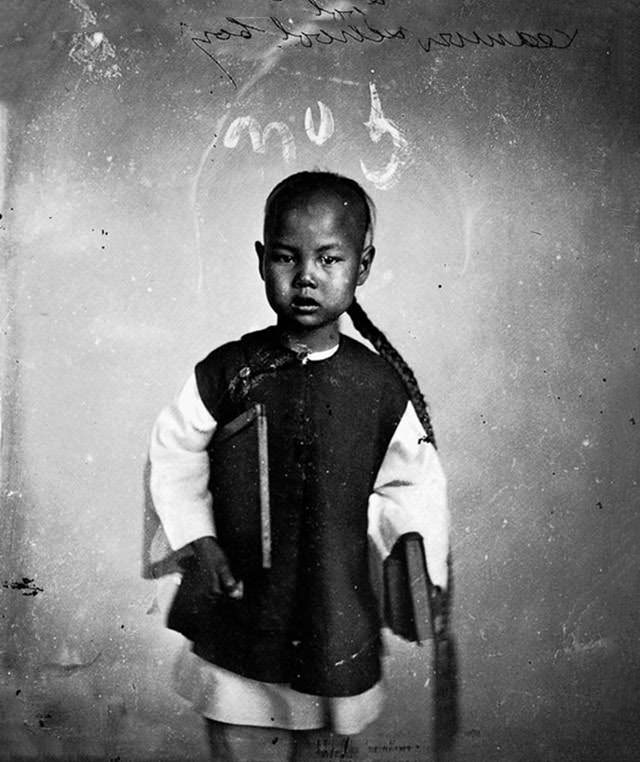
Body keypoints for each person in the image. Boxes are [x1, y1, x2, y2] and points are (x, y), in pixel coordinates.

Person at [148, 171, 452, 761]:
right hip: (243, 600)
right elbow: (174, 449)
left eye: (329, 259)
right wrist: (197, 538)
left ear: (361, 267)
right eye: (288, 257)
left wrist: (419, 569)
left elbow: (414, 483)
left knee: (327, 737)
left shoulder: (379, 386)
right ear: (263, 261)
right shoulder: (228, 371)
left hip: (334, 603)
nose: (306, 276)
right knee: (237, 724)